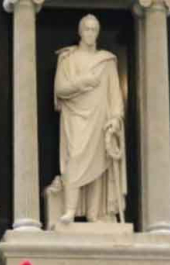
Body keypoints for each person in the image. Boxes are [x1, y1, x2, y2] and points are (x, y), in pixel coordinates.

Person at [53, 14, 127, 225]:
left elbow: (115, 94)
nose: (90, 33)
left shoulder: (106, 61)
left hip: (99, 117)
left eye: (94, 29)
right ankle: (70, 210)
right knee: (75, 158)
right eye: (87, 29)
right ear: (80, 31)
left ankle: (94, 214)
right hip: (75, 117)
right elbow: (60, 89)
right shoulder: (68, 59)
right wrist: (83, 81)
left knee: (98, 164)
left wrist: (115, 118)